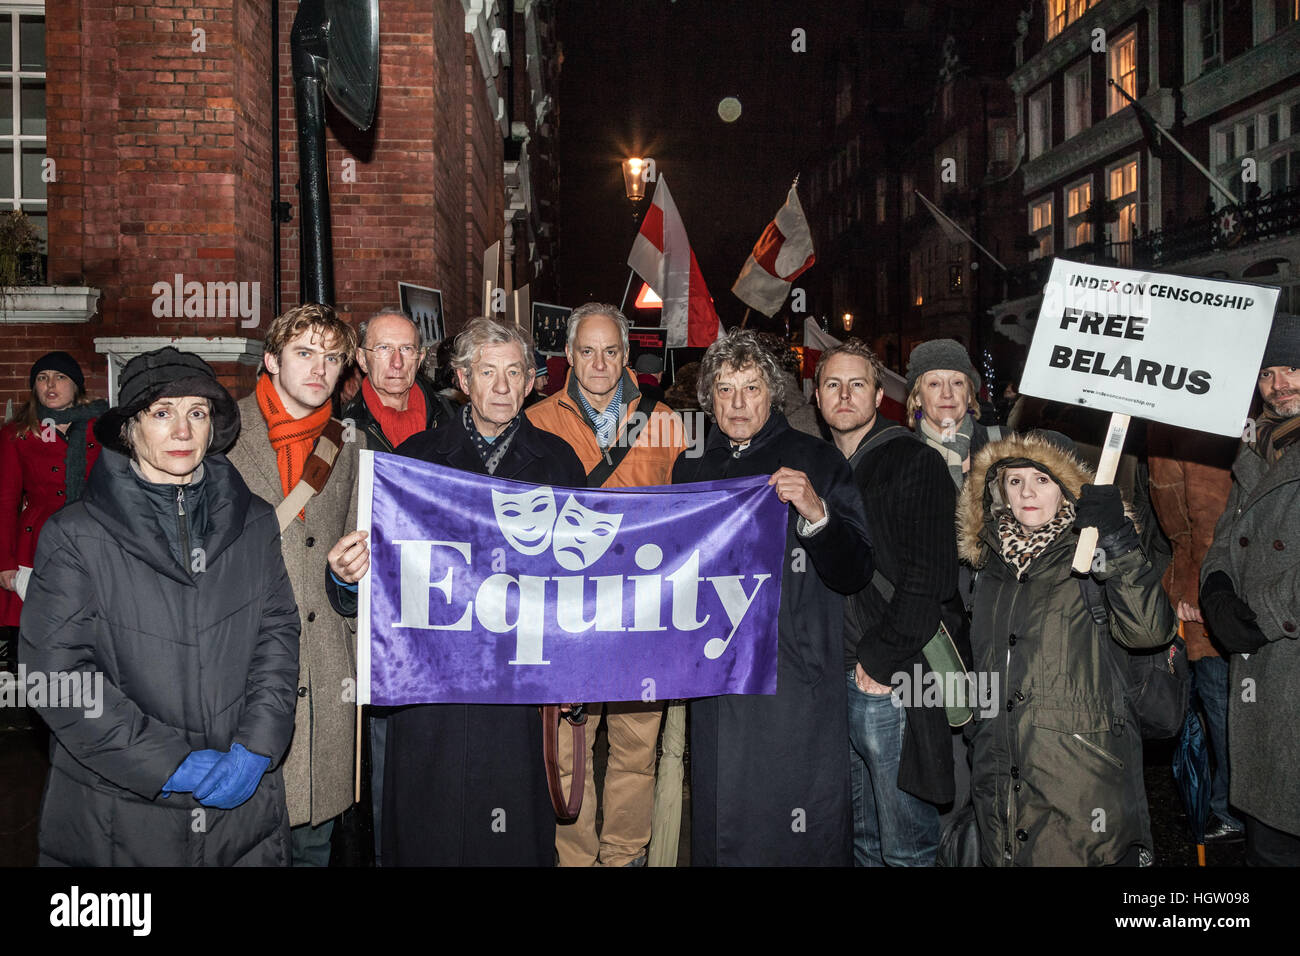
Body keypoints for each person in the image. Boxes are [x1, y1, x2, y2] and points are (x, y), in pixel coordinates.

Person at [19, 347, 300, 865]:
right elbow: (55, 675)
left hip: (242, 821)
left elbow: (277, 637)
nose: (183, 431)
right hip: (120, 814)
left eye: (197, 412)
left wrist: (257, 745)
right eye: (162, 413)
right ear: (129, 428)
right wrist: (171, 764)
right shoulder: (75, 536)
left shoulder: (255, 522)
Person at [383, 317, 585, 865]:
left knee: (513, 829)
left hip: (521, 679)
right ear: (463, 380)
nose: (501, 386)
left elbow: (582, 582)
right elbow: (388, 575)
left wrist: (575, 669)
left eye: (513, 372)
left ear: (530, 383)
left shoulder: (560, 463)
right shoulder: (415, 460)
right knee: (432, 825)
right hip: (434, 683)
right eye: (486, 372)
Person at [672, 328, 872, 865]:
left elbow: (856, 569)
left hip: (794, 676)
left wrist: (817, 513)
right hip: (717, 675)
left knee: (794, 822)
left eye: (752, 388)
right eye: (725, 389)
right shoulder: (691, 467)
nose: (738, 403)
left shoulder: (818, 461)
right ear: (708, 397)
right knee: (723, 821)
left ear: (773, 394)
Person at [957, 431, 1176, 865]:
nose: (1027, 493)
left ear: (1066, 485)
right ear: (999, 490)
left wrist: (1118, 542)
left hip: (1079, 782)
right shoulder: (987, 565)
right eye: (1015, 481)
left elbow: (1150, 631)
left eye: (1042, 479)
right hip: (1000, 779)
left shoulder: (1094, 552)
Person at [526, 302, 687, 867]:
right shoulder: (536, 421)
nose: (599, 362)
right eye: (587, 351)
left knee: (635, 750)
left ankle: (624, 855)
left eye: (611, 351)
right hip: (567, 617)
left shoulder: (668, 424)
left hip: (641, 614)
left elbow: (692, 514)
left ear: (627, 357)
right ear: (567, 355)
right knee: (570, 747)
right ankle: (574, 860)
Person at [226, 303, 367, 867]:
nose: (319, 369)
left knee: (312, 843)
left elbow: (363, 554)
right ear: (270, 359)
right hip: (243, 667)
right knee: (239, 839)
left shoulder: (351, 443)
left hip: (325, 674)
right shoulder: (221, 433)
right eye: (304, 353)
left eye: (332, 358)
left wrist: (349, 575)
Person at [814, 340, 959, 866]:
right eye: (833, 384)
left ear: (879, 396)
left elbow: (931, 577)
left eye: (857, 384)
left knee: (906, 846)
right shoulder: (817, 467)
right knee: (863, 844)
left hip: (889, 677)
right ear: (818, 397)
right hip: (835, 675)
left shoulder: (913, 461)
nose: (845, 394)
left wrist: (880, 662)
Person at [1201, 313, 1300, 866]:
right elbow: (1230, 530)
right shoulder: (1258, 447)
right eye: (1267, 373)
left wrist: (1261, 616)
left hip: (1286, 650)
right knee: (1269, 834)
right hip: (1265, 674)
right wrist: (1215, 582)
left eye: (1292, 369)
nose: (1279, 384)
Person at [1147, 423, 1244, 843]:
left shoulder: (1200, 424)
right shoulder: (1169, 427)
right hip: (1195, 592)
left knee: (1218, 707)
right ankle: (1217, 805)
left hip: (1207, 597)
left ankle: (1227, 808)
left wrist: (1199, 588)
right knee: (1209, 707)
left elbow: (1206, 524)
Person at [1, 352, 107, 671]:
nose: (51, 384)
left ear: (76, 386)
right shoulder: (17, 434)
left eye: (60, 377)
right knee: (39, 640)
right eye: (42, 378)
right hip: (36, 546)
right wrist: (4, 562)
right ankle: (42, 713)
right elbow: (5, 501)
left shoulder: (102, 429)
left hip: (93, 540)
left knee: (92, 636)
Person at [343, 307, 455, 453]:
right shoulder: (344, 428)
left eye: (407, 349)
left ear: (419, 359)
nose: (397, 362)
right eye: (383, 348)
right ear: (362, 359)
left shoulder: (451, 417)